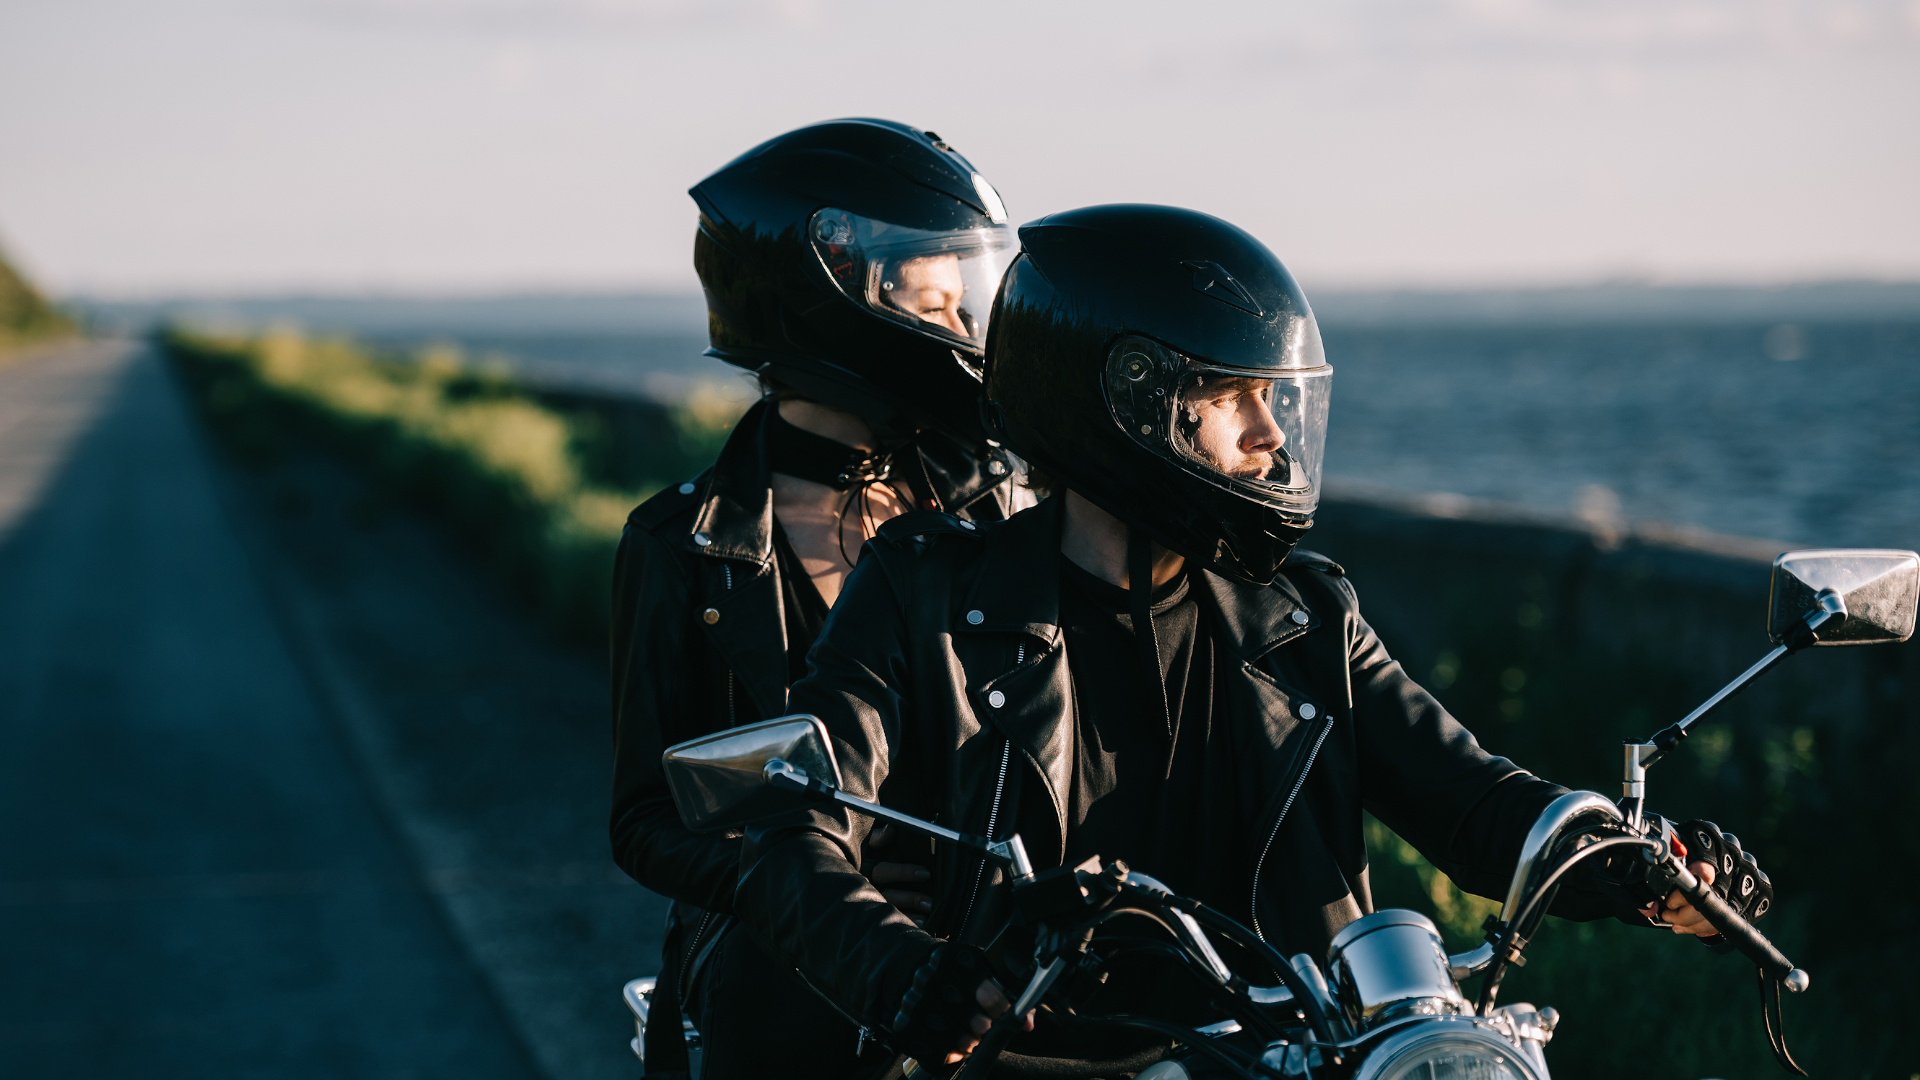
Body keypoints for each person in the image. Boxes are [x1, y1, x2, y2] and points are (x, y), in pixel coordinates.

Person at [733, 204, 1775, 1074]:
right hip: (1032, 1058)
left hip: (1293, 1055)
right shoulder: (926, 594)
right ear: (1127, 403)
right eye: (1234, 398)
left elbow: (1473, 800)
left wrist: (1636, 866)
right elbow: (788, 822)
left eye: (1274, 400)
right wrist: (896, 965)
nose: (1272, 436)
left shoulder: (1307, 618)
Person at [608, 119, 1030, 1078]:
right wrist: (808, 879)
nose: (966, 335)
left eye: (968, 306)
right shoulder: (682, 546)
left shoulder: (1000, 507)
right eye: (938, 307)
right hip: (783, 986)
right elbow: (643, 821)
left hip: (990, 978)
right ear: (833, 301)